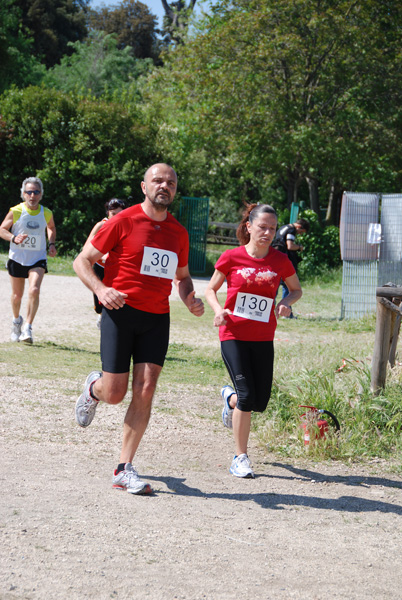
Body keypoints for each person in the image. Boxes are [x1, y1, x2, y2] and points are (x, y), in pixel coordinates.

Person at [73, 163, 204, 495]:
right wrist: (101, 291)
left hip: (156, 317)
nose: (165, 186)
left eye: (171, 182)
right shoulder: (123, 221)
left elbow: (183, 275)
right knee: (115, 394)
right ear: (144, 186)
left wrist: (189, 297)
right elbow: (82, 260)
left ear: (175, 190)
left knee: (145, 389)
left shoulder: (178, 232)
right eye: (157, 180)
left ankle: (123, 468)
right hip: (120, 313)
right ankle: (94, 388)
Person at [205, 203, 302, 478]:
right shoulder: (231, 257)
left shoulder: (279, 261)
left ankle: (229, 398)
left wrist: (285, 302)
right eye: (263, 227)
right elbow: (210, 289)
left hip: (263, 337)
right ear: (249, 226)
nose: (268, 233)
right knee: (248, 397)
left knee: (258, 402)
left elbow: (296, 290)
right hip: (233, 335)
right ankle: (240, 457)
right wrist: (218, 310)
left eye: (272, 228)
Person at [0, 176, 57, 343]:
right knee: (17, 296)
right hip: (17, 257)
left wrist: (51, 244)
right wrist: (13, 238)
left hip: (37, 258)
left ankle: (28, 328)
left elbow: (51, 227)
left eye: (36, 192)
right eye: (29, 192)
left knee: (34, 290)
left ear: (41, 194)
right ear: (23, 194)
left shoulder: (46, 212)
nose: (32, 195)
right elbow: (2, 229)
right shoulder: (16, 211)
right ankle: (16, 321)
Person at [84, 198, 127, 326]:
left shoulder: (127, 226)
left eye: (120, 213)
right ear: (108, 213)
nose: (116, 217)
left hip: (117, 268)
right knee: (99, 299)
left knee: (114, 296)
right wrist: (102, 256)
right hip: (100, 266)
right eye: (113, 214)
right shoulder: (101, 225)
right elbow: (86, 247)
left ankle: (109, 319)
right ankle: (101, 314)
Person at [271, 217, 309, 317]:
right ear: (299, 226)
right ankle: (286, 313)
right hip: (284, 261)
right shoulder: (291, 230)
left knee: (274, 287)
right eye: (301, 232)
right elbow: (290, 246)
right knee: (288, 287)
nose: (300, 234)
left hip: (275, 259)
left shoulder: (284, 227)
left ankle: (270, 311)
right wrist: (300, 247)